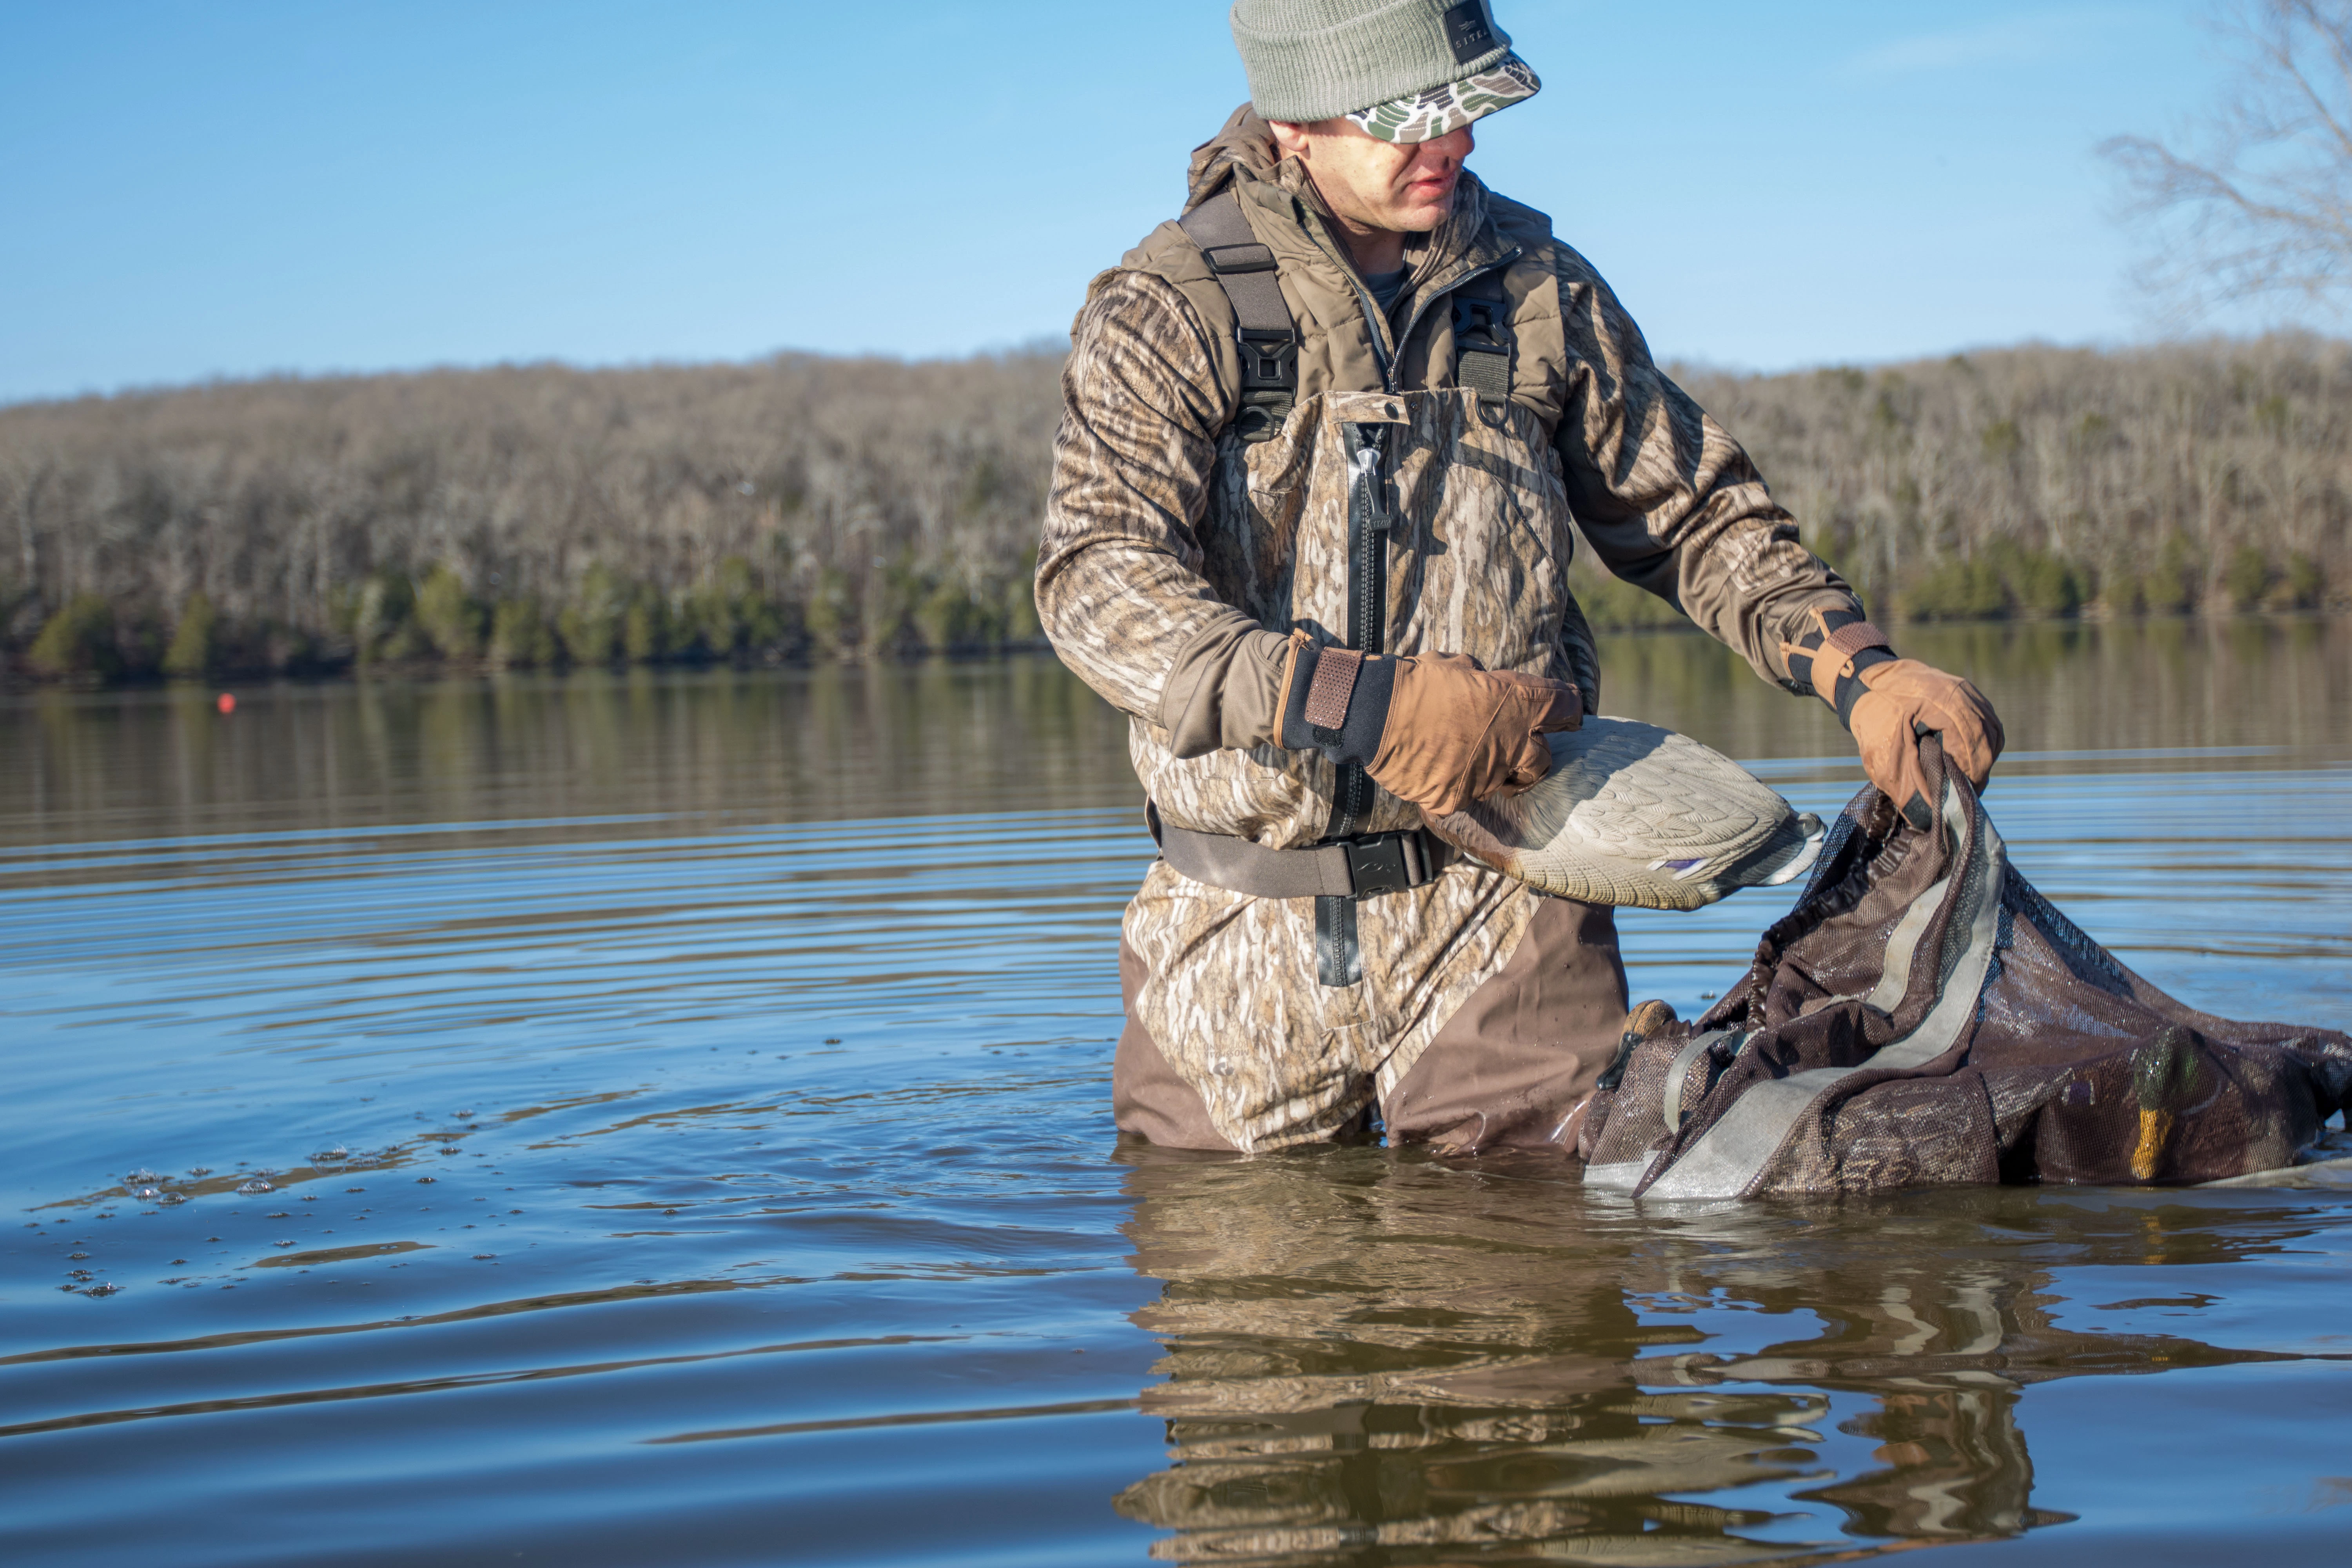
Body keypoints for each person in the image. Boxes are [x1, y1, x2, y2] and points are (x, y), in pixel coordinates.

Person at [1036, 0, 2001, 1155]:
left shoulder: (1543, 291)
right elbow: (1098, 582)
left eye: (1471, 107)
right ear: (1295, 119)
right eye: (1410, 116)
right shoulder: (1166, 308)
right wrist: (1363, 705)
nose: (1454, 143)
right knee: (1235, 1297)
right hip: (1233, 918)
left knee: (1545, 1302)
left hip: (1510, 909)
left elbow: (1691, 512)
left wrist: (1859, 668)